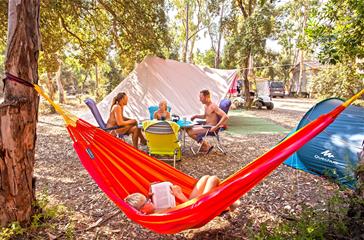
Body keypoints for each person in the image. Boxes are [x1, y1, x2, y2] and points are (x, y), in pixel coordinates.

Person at [124, 175, 240, 214]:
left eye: (148, 199)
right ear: (143, 211)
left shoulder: (151, 210)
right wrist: (179, 195)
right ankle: (224, 207)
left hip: (193, 205)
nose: (150, 200)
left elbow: (147, 205)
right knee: (213, 179)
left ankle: (225, 206)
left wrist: (153, 193)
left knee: (205, 178)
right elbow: (191, 209)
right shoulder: (158, 216)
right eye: (147, 201)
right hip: (198, 209)